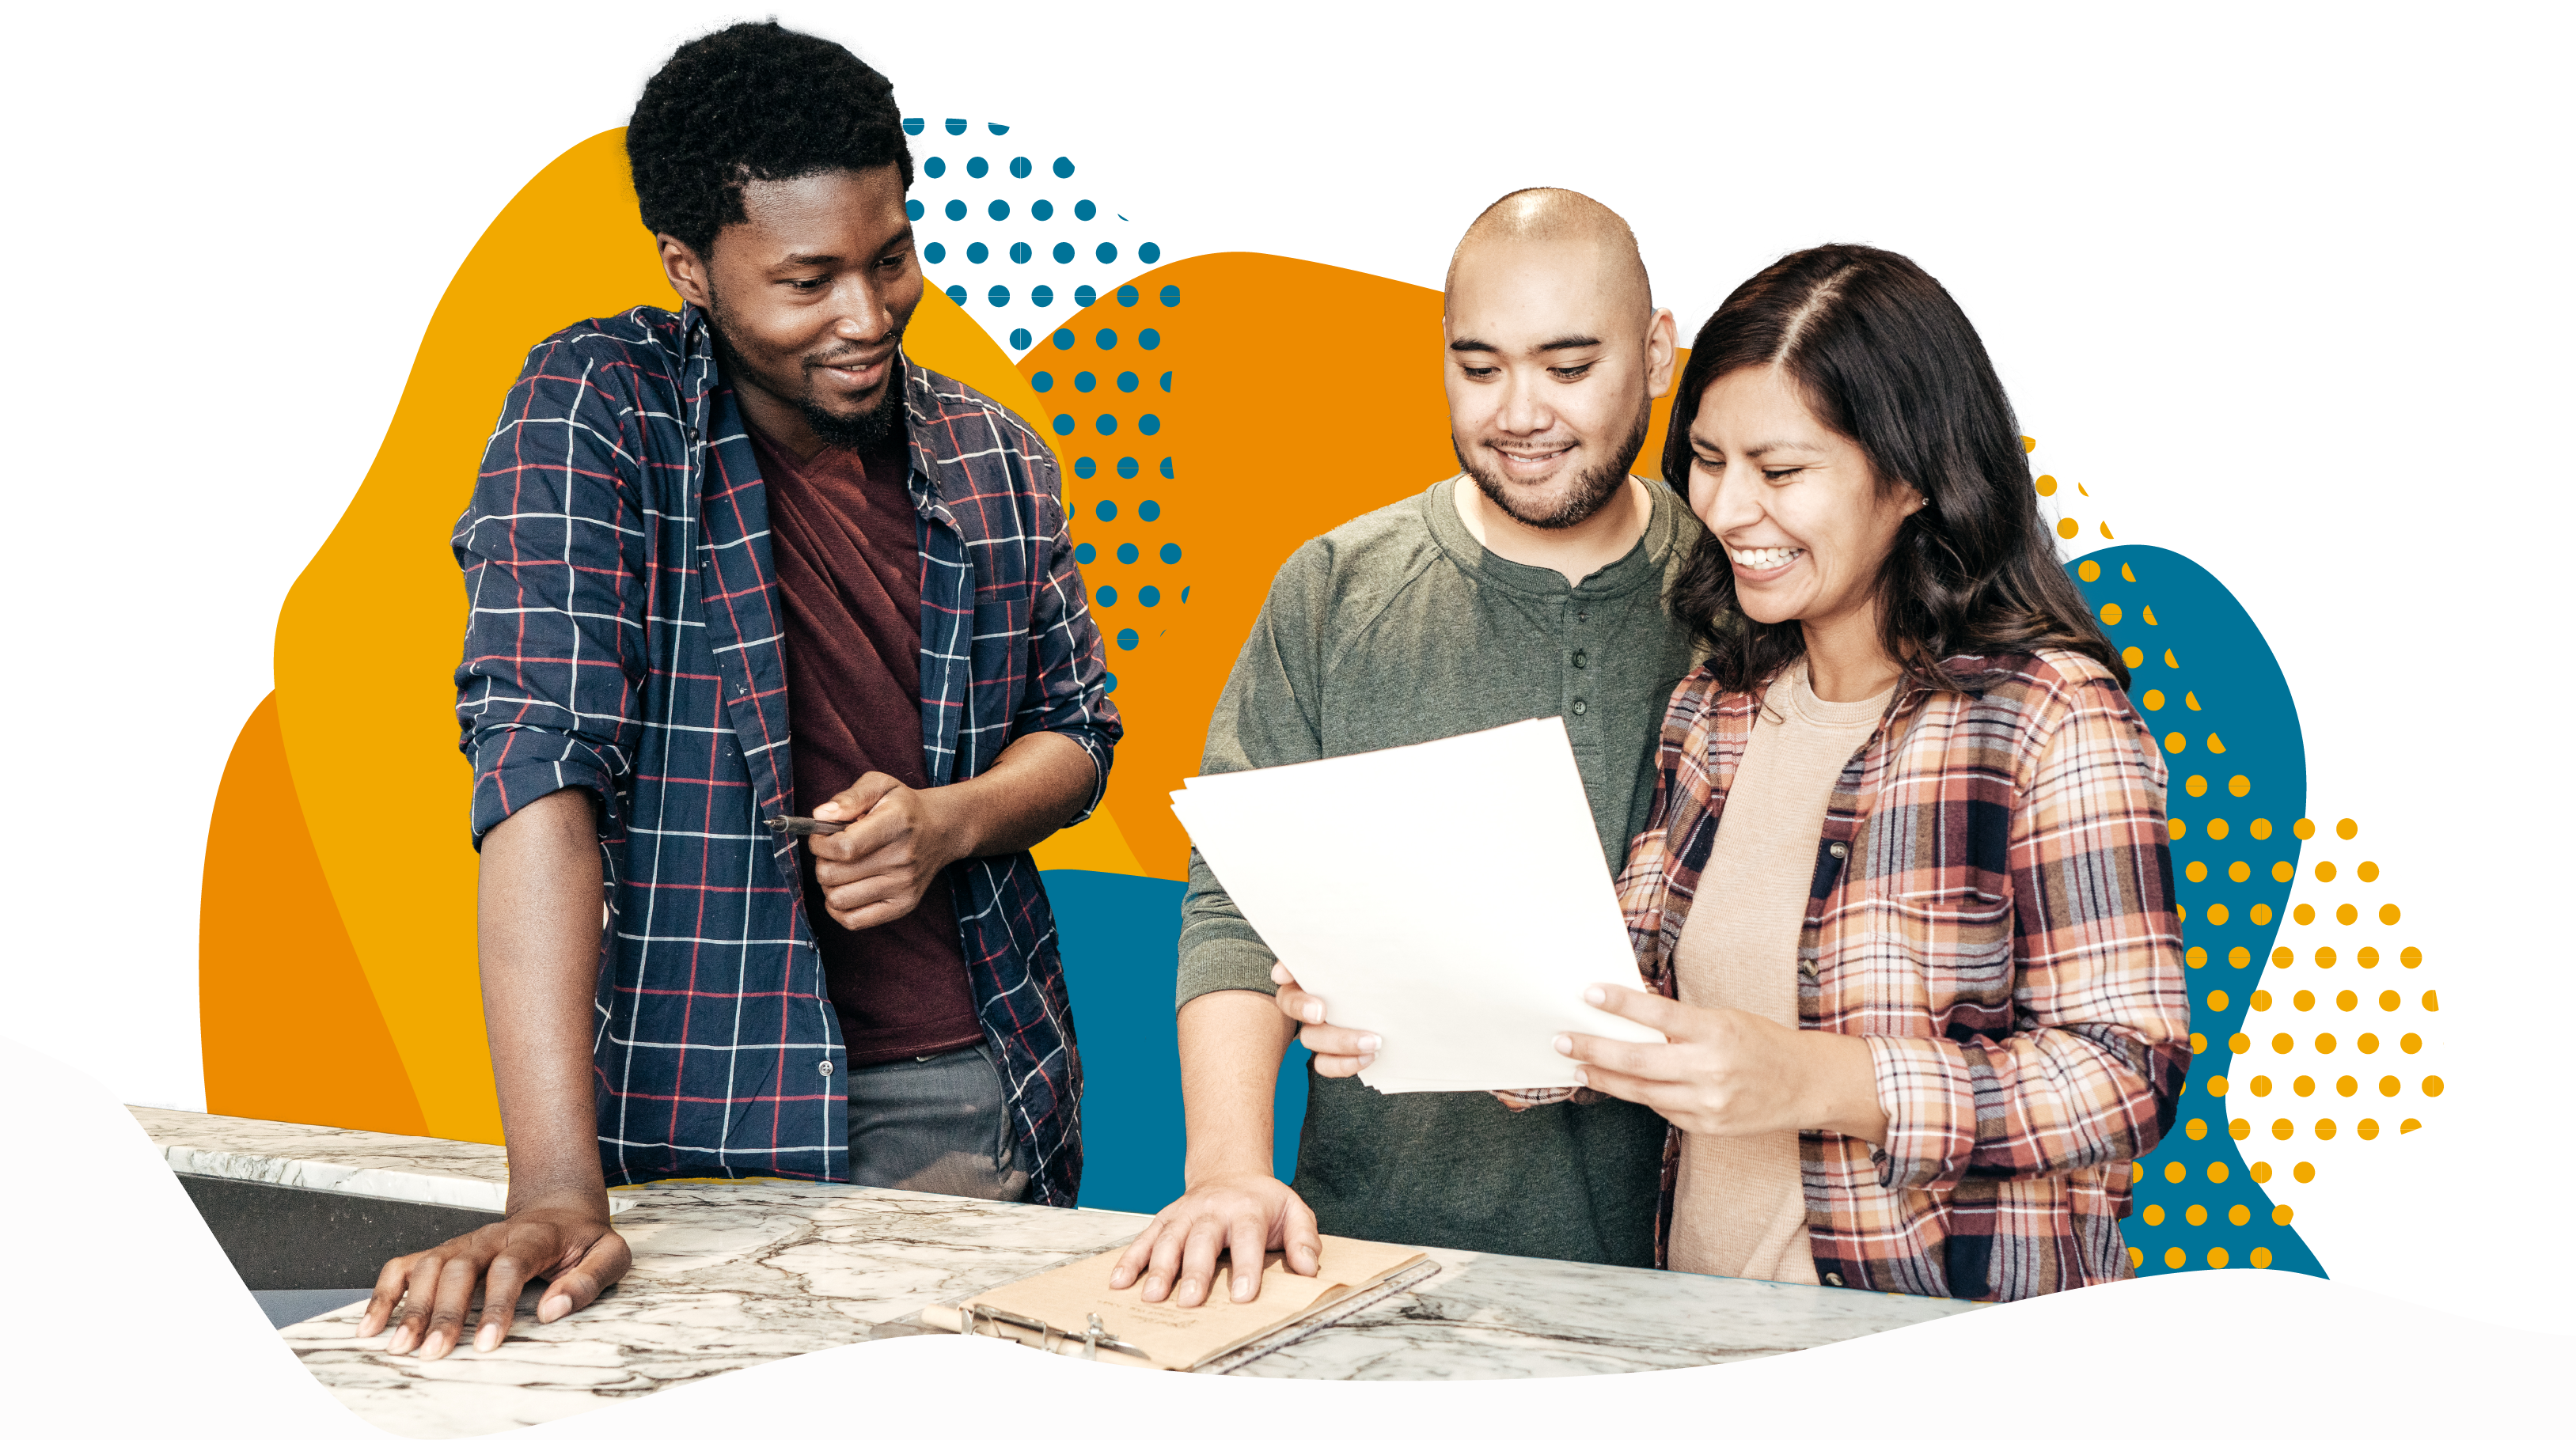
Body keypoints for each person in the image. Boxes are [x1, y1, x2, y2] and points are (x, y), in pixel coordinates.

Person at [361, 11, 1121, 1360]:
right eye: (807, 279)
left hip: (970, 1096)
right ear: (689, 266)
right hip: (696, 1113)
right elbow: (539, 770)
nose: (865, 316)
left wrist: (946, 822)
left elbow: (1076, 733)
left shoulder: (996, 455)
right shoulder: (598, 409)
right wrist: (554, 1189)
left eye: (890, 259)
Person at [1301, 237, 2188, 1300]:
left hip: (1933, 1350)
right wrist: (1425, 1004)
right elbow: (1622, 1000)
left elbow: (2126, 1073)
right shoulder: (1716, 710)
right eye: (1708, 461)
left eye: (1779, 472)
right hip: (1704, 1340)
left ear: (1912, 477)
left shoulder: (2047, 717)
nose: (1724, 512)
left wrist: (1816, 1079)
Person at [1111, 188, 1696, 1309]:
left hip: (1691, 1276)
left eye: (1569, 367)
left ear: (1657, 353)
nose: (1520, 413)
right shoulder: (1334, 589)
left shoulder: (1744, 593)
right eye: (1479, 367)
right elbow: (1235, 907)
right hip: (1371, 1261)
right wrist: (1227, 1173)